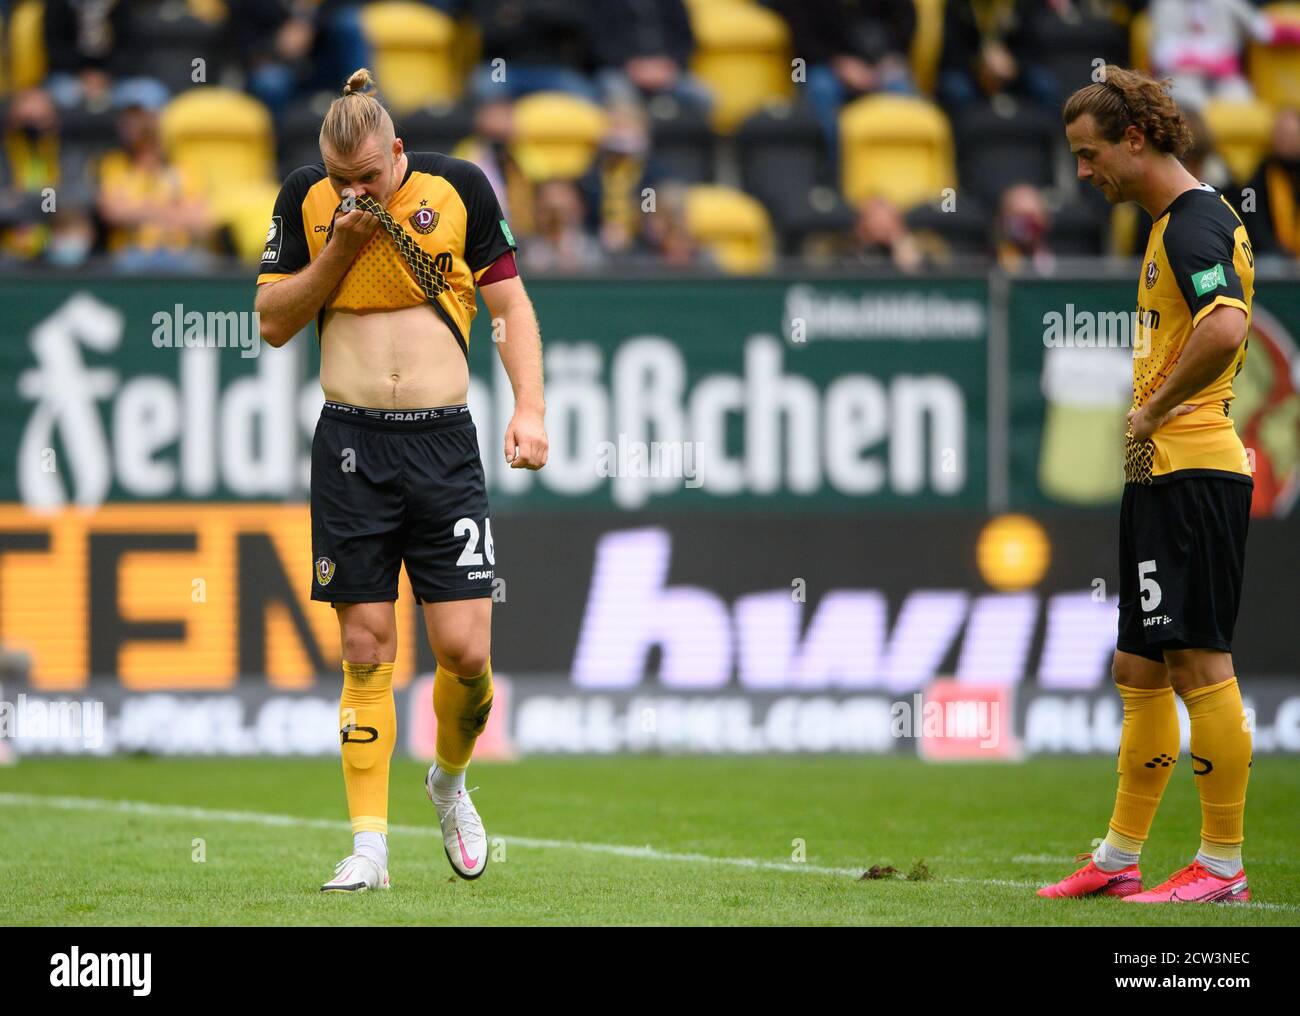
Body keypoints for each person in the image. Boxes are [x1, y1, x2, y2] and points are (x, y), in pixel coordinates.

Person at [255, 68, 548, 892]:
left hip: (442, 444)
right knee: (364, 647)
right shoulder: (306, 202)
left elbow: (510, 308)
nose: (355, 193)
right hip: (350, 445)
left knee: (463, 652)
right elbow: (275, 322)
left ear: (398, 153)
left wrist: (530, 408)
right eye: (340, 180)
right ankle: (369, 850)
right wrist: (339, 248)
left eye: (369, 179)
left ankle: (449, 784)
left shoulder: (459, 190)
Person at [1043, 65, 1255, 904]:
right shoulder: (1177, 222)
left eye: (1090, 155)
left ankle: (1223, 864)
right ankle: (1121, 855)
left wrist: (1154, 408)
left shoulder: (1194, 224)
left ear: (1136, 138)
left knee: (1200, 664)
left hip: (1192, 471)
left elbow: (1229, 325)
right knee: (1139, 669)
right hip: (1160, 476)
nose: (1084, 173)